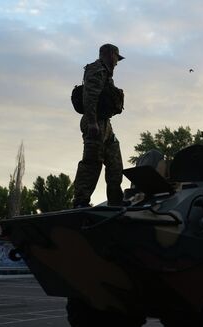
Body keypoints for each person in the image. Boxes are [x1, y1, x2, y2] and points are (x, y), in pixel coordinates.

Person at [73, 44, 125, 207]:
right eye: (117, 57)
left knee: (115, 162)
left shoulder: (107, 74)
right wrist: (92, 122)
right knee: (92, 162)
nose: (117, 62)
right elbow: (90, 96)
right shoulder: (97, 70)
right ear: (110, 55)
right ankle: (81, 201)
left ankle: (115, 201)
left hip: (105, 124)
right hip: (94, 122)